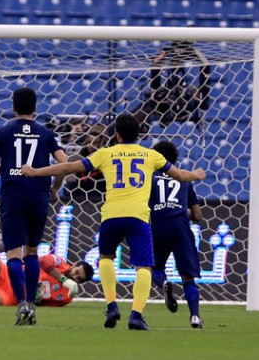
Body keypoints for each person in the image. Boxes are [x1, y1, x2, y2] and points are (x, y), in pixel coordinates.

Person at [21, 113, 206, 331]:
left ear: (116, 134)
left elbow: (68, 168)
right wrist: (196, 174)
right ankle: (136, 315)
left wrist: (36, 171)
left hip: (112, 216)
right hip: (139, 218)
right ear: (138, 135)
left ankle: (112, 306)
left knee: (106, 258)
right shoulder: (150, 156)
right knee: (144, 267)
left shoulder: (105, 154)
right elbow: (181, 176)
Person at [0, 87, 68, 326]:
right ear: (35, 108)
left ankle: (21, 303)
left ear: (13, 107)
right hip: (38, 195)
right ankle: (32, 303)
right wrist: (54, 187)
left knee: (13, 253)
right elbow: (64, 163)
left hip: (13, 195)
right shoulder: (47, 133)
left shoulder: (2, 132)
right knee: (32, 251)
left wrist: (8, 166)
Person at [149, 140, 204, 328]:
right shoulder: (185, 179)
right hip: (180, 227)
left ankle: (164, 282)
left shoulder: (150, 178)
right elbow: (197, 215)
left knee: (153, 268)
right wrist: (181, 210)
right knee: (188, 277)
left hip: (157, 226)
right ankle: (195, 316)